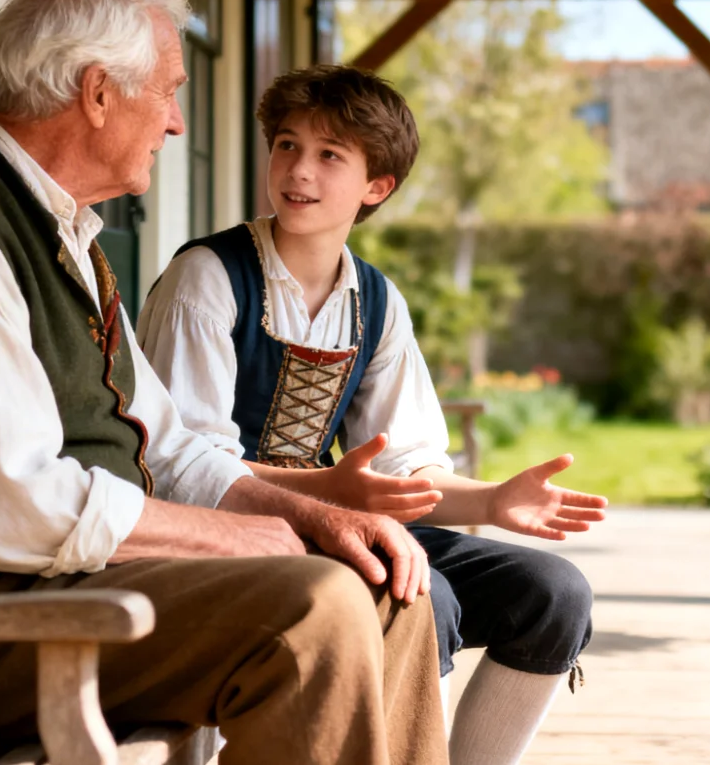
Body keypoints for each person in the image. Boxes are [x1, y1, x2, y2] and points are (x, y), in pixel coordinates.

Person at [0, 0, 445, 765]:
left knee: (384, 583)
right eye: (167, 91)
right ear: (99, 93)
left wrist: (314, 517)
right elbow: (17, 508)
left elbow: (166, 445)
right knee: (312, 609)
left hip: (48, 592)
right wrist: (229, 540)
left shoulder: (59, 228)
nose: (175, 123)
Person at [137, 64, 608, 765]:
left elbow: (396, 474)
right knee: (427, 595)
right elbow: (179, 467)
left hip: (339, 519)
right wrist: (330, 494)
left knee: (554, 594)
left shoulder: (376, 303)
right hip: (220, 527)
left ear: (376, 186)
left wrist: (493, 499)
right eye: (287, 145)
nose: (299, 170)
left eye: (330, 155)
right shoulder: (208, 277)